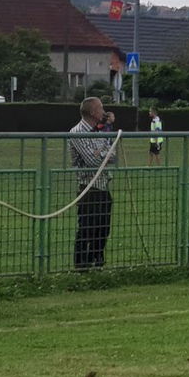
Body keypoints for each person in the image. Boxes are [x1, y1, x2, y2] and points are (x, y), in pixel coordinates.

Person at [69, 97, 116, 270]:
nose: (104, 112)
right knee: (87, 229)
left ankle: (97, 261)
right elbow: (92, 161)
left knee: (103, 229)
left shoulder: (99, 130)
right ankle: (81, 266)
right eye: (101, 108)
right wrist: (103, 153)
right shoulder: (77, 132)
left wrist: (101, 152)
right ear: (92, 112)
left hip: (103, 185)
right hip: (88, 188)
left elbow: (113, 154)